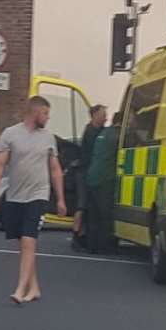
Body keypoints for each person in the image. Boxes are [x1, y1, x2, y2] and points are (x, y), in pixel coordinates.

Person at [0, 95, 67, 304]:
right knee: (22, 244)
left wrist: (60, 199)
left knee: (29, 241)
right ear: (34, 112)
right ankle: (34, 288)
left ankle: (20, 290)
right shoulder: (10, 134)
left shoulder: (49, 138)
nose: (47, 118)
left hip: (38, 194)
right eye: (45, 113)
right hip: (15, 195)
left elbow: (55, 169)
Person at [71, 104, 108, 250]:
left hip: (90, 173)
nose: (105, 117)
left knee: (87, 207)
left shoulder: (98, 130)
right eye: (103, 114)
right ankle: (76, 237)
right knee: (82, 205)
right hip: (84, 173)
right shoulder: (91, 132)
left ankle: (83, 235)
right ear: (94, 115)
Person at [83, 118, 121, 254]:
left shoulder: (104, 132)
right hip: (105, 178)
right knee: (105, 215)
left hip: (92, 177)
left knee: (93, 214)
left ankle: (91, 246)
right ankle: (104, 246)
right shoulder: (119, 135)